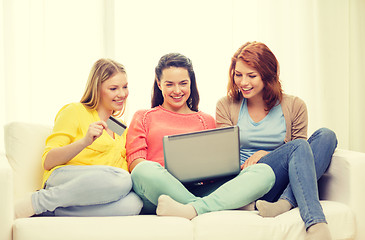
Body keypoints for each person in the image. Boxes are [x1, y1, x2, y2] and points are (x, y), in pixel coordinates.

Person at [126, 53, 275, 219]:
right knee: (144, 170)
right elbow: (135, 164)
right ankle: (216, 205)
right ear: (159, 84)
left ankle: (192, 209)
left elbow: (219, 166)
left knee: (264, 172)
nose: (177, 90)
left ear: (191, 83)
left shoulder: (207, 120)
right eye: (170, 84)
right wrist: (168, 176)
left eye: (183, 83)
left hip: (202, 188)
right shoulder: (143, 117)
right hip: (160, 191)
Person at [216, 41, 337, 240]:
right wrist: (257, 162)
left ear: (268, 74)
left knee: (327, 135)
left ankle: (285, 203)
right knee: (298, 146)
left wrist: (268, 154)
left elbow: (303, 156)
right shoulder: (226, 105)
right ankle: (314, 220)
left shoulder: (294, 105)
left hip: (286, 180)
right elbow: (224, 158)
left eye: (251, 75)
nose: (243, 82)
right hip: (249, 179)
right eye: (238, 74)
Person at [15, 58, 142, 218]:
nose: (122, 94)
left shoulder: (121, 128)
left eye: (125, 87)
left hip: (97, 188)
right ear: (97, 89)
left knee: (134, 203)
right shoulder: (75, 111)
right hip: (64, 178)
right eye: (113, 88)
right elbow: (48, 161)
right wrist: (85, 142)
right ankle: (39, 201)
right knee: (122, 179)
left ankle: (51, 210)